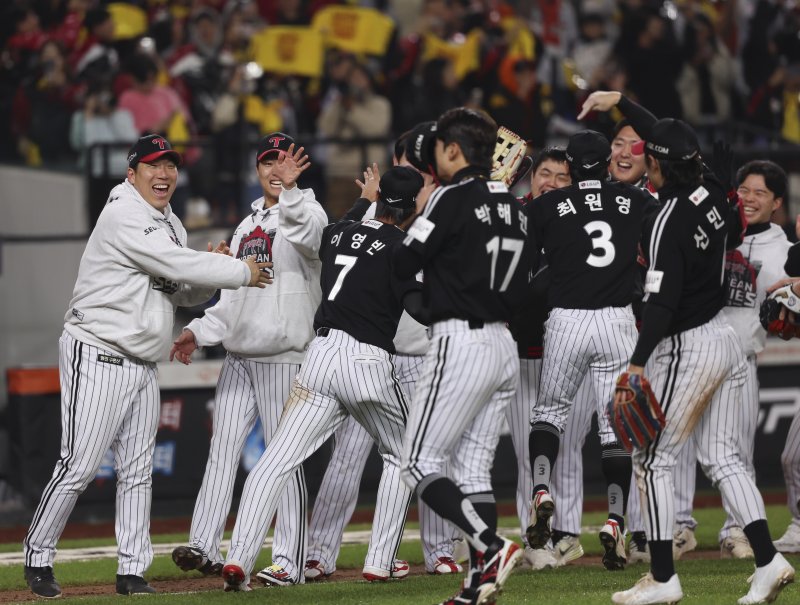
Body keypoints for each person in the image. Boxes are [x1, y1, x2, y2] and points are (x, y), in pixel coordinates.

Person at [21, 134, 271, 599]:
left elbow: (181, 291)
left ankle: (133, 571)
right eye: (153, 166)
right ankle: (37, 556)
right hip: (97, 351)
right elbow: (175, 262)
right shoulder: (122, 213)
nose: (164, 174)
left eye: (170, 165)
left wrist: (207, 274)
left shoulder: (170, 223)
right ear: (130, 174)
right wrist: (238, 271)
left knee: (137, 472)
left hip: (142, 362)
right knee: (77, 464)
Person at [580, 90, 795, 605]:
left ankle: (662, 578)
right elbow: (671, 140)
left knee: (653, 462)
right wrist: (625, 104)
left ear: (654, 164)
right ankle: (769, 561)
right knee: (724, 459)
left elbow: (660, 306)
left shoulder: (664, 218)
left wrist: (636, 363)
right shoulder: (714, 193)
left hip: (688, 345)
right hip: (725, 338)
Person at [219, 164, 426, 592]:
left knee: (274, 461)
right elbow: (421, 309)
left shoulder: (338, 233)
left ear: (380, 196)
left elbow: (349, 223)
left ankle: (238, 559)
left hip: (321, 358)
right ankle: (379, 561)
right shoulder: (404, 247)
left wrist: (366, 197)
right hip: (368, 362)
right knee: (404, 456)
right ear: (413, 206)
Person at [168, 133, 326, 586]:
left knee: (282, 459)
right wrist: (198, 330)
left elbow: (312, 240)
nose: (277, 170)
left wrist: (294, 191)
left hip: (284, 356)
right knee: (221, 453)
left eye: (285, 161)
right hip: (240, 355)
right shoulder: (247, 224)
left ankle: (289, 560)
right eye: (268, 163)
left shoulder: (308, 210)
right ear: (256, 170)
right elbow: (234, 298)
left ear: (298, 166)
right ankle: (203, 544)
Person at [303, 134, 462, 582]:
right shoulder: (391, 216)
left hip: (424, 354)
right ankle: (319, 552)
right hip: (375, 351)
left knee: (429, 455)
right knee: (350, 458)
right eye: (412, 163)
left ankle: (439, 551)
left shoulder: (444, 211)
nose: (421, 172)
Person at [396, 107, 531, 605]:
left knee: (416, 459)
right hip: (503, 343)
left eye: (437, 150)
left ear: (454, 151)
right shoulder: (515, 203)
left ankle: (490, 547)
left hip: (461, 340)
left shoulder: (451, 197)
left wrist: (423, 209)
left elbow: (407, 259)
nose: (432, 158)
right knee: (473, 470)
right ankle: (479, 583)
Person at [525, 130, 658, 572]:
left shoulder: (545, 205)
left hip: (566, 319)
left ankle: (541, 491)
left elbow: (525, 265)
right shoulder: (636, 201)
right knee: (613, 428)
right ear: (605, 162)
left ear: (570, 167)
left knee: (549, 414)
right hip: (618, 321)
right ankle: (616, 519)